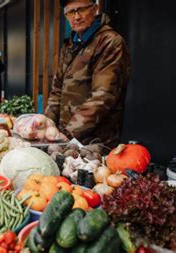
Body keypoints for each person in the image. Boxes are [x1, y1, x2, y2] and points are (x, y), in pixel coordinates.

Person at [45, 0, 131, 148]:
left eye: (81, 10)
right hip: (65, 138)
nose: (76, 17)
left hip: (95, 142)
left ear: (95, 9)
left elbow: (103, 96)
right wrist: (46, 124)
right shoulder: (70, 43)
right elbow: (57, 89)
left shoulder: (110, 42)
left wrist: (68, 133)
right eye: (71, 12)